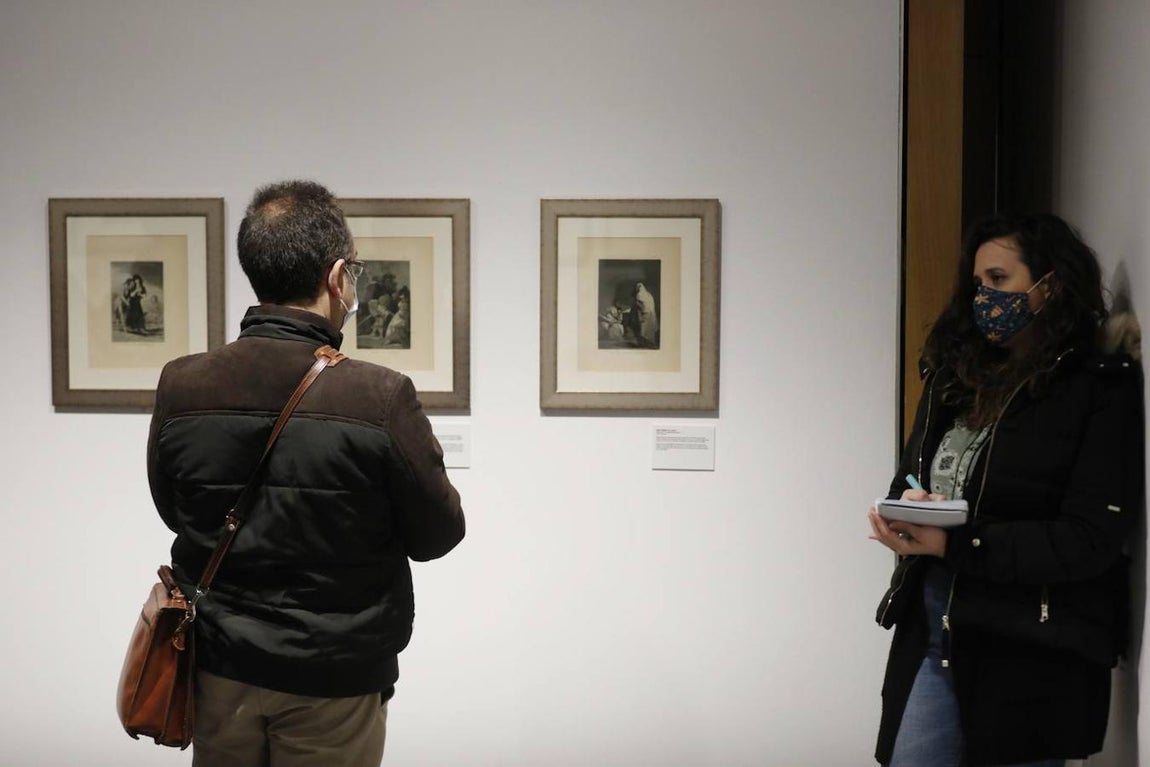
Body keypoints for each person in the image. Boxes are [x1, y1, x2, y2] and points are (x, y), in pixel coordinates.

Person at [147, 180, 465, 767]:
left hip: (219, 668)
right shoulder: (380, 395)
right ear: (339, 276)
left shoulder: (182, 384)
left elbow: (175, 508)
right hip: (334, 677)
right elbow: (439, 534)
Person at [867, 213, 1143, 767]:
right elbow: (913, 474)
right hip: (932, 623)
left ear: (1050, 284)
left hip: (1030, 652)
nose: (984, 297)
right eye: (978, 284)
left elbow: (1089, 538)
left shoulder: (1097, 386)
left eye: (999, 280)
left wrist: (958, 544)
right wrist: (910, 508)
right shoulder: (956, 374)